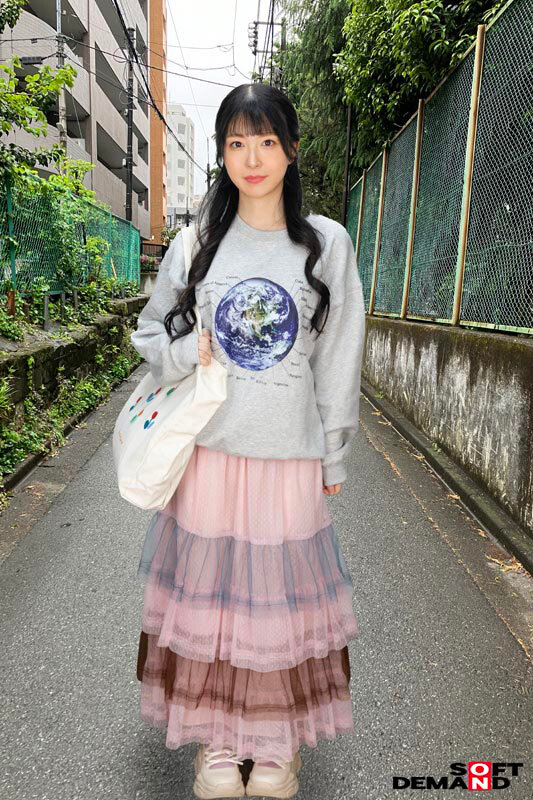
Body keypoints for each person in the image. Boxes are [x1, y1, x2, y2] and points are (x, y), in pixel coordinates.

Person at [130, 82, 366, 799]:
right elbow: (151, 332)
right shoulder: (197, 243)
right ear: (222, 154)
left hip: (288, 461)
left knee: (276, 609)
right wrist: (186, 352)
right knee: (214, 604)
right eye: (236, 143)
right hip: (209, 457)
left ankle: (273, 744)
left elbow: (340, 355)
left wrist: (333, 451)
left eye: (266, 141)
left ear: (291, 150)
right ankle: (220, 741)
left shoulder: (326, 244)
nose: (252, 158)